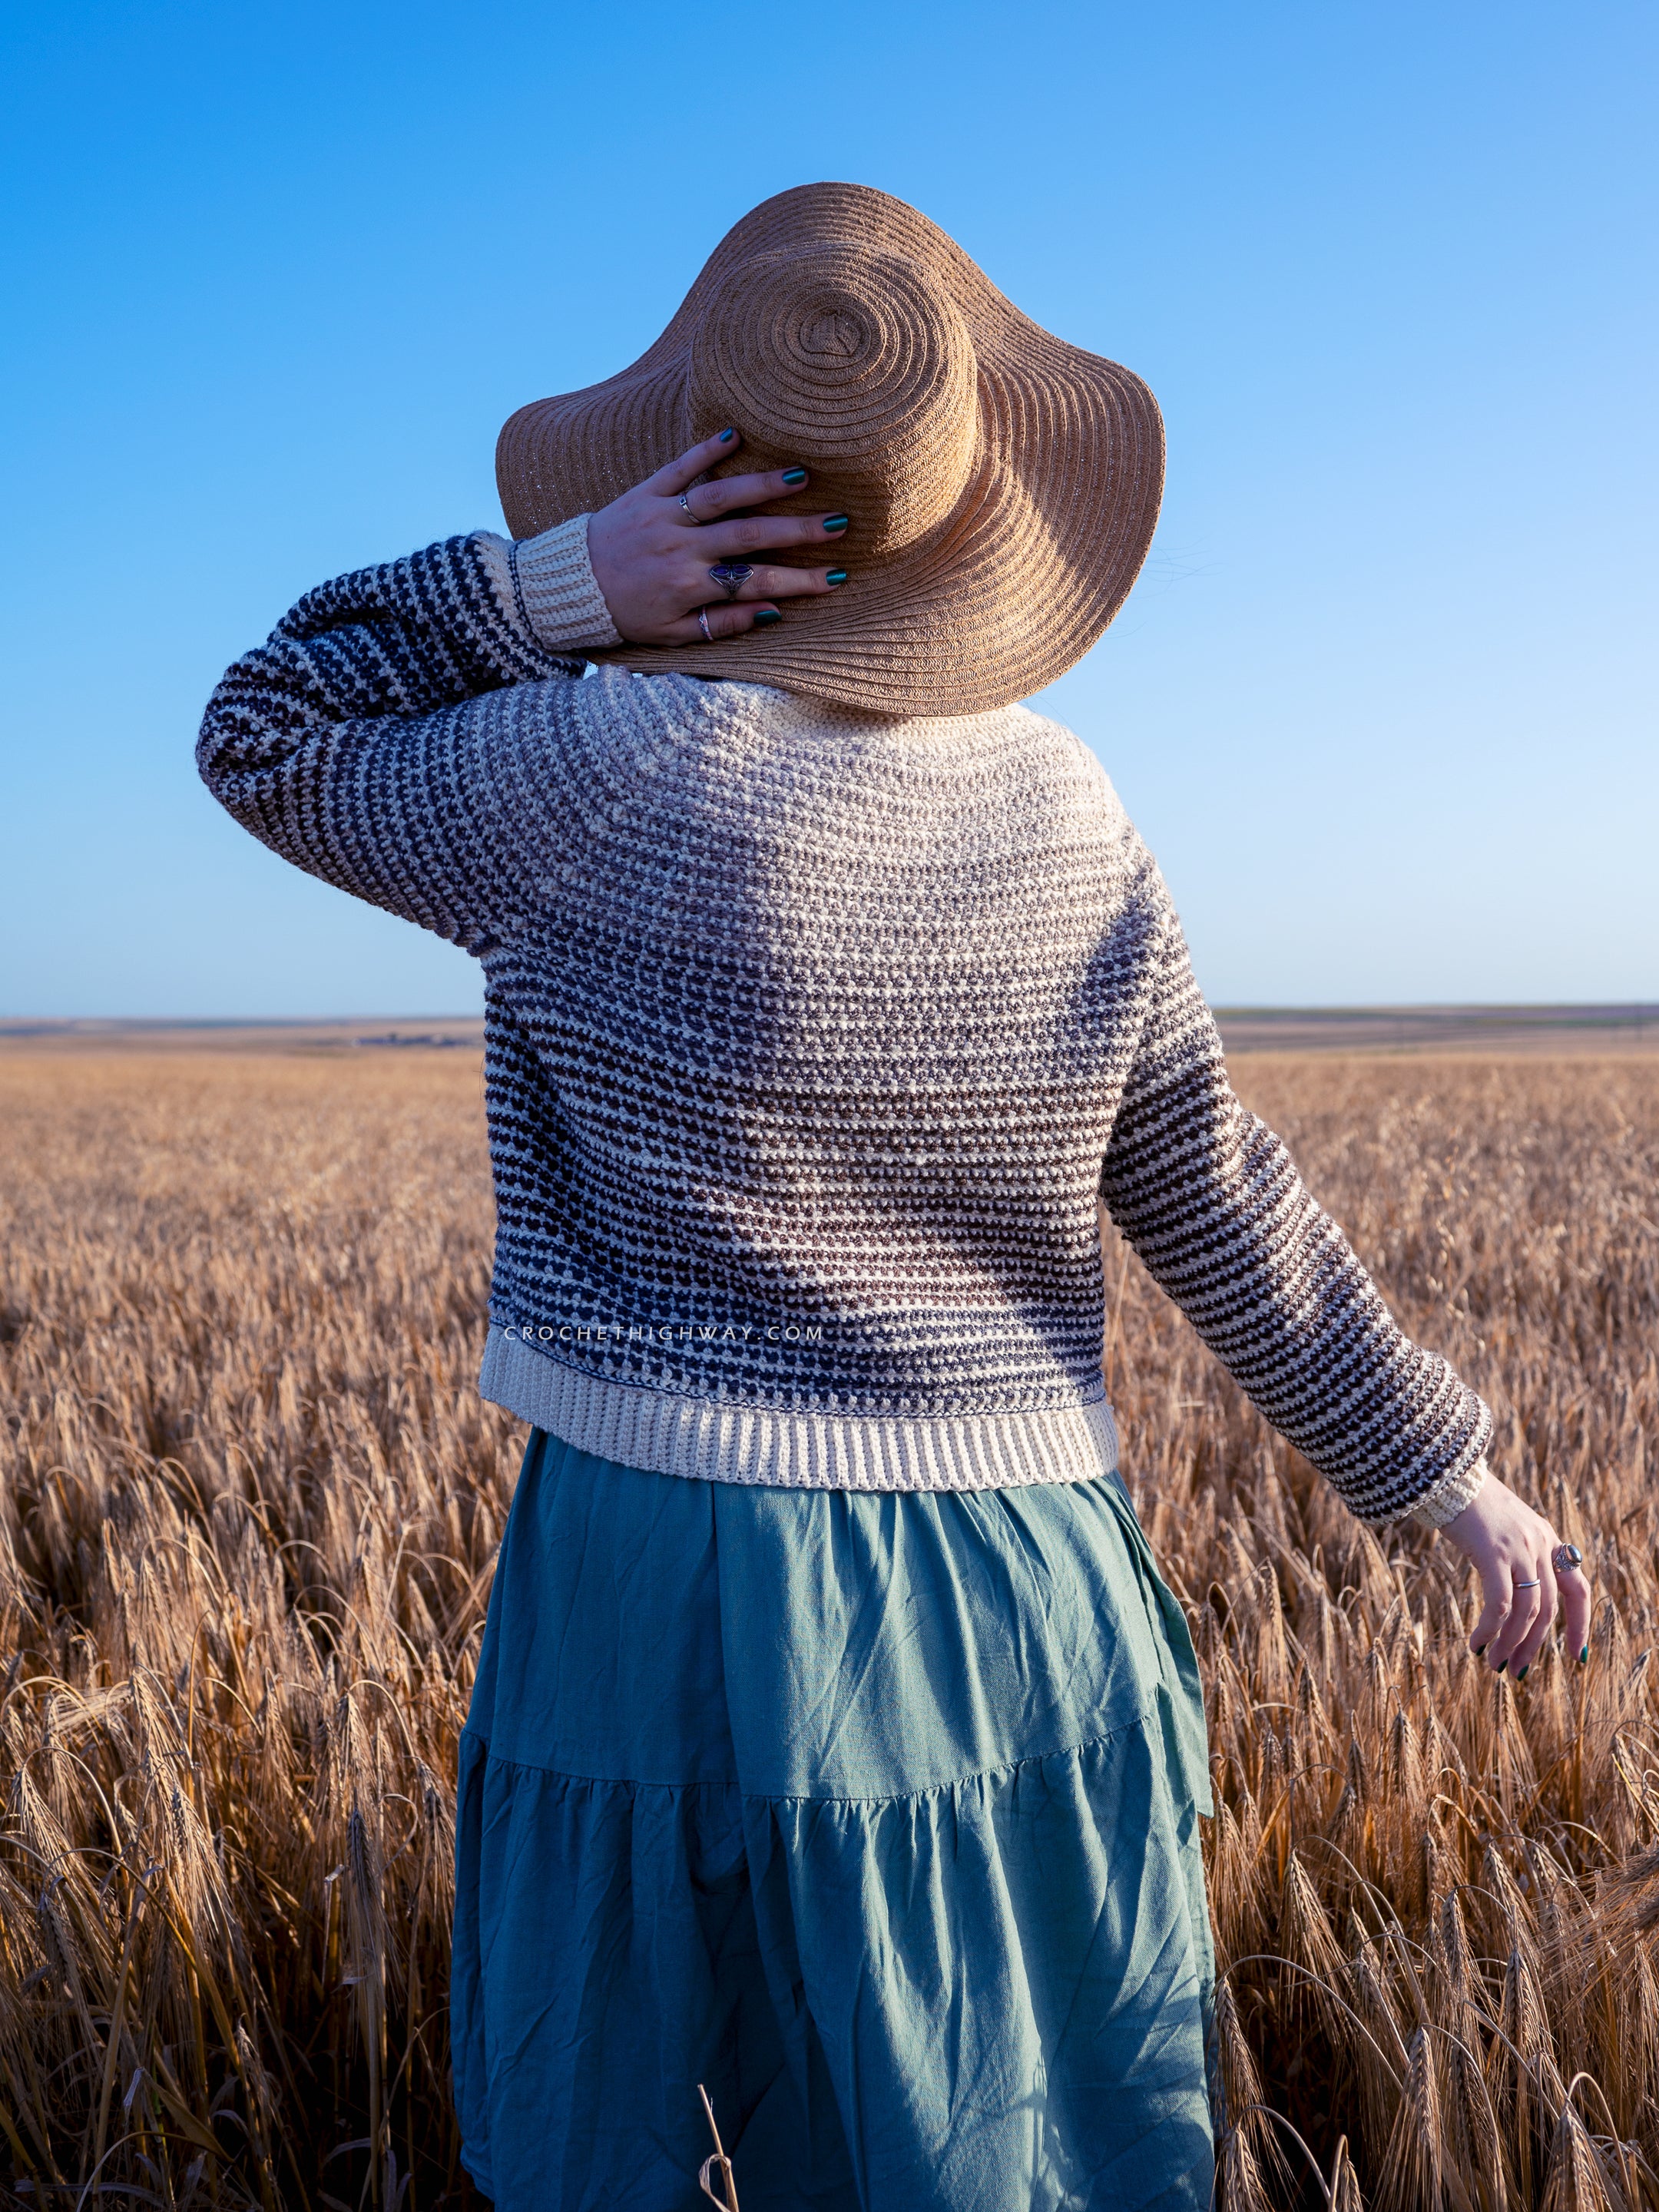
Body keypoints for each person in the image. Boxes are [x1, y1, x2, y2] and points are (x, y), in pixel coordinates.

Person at [197, 181, 1590, 2212]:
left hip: (664, 1578)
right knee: (1000, 2149)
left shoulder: (584, 771)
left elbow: (266, 724)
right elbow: (1215, 1191)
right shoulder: (1065, 806)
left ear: (696, 478)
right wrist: (1442, 1478)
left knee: (619, 2132)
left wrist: (564, 585)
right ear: (969, 512)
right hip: (1024, 1582)